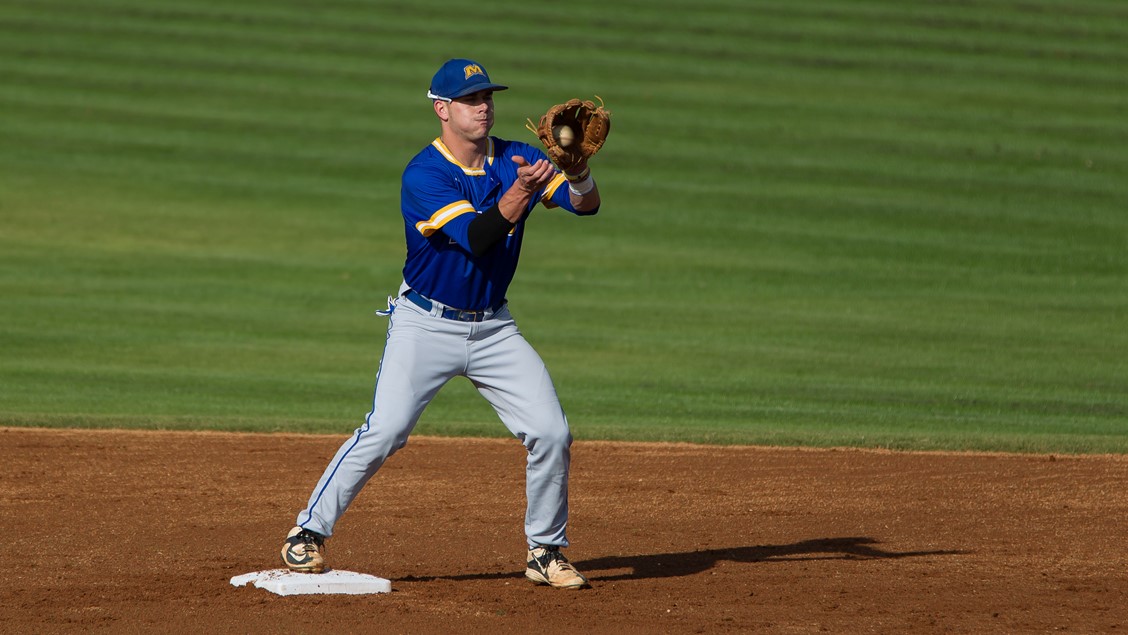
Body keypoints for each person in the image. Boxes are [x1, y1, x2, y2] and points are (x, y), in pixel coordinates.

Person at [280, 58, 602, 590]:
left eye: (488, 98)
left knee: (552, 432)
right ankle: (307, 533)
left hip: (494, 329)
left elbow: (585, 206)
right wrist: (524, 190)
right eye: (472, 100)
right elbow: (478, 237)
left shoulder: (517, 156)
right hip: (425, 324)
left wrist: (577, 169)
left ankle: (545, 551)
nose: (484, 107)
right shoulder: (425, 174)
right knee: (385, 430)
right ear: (442, 109)